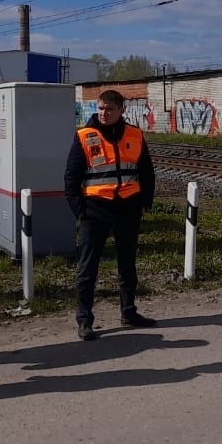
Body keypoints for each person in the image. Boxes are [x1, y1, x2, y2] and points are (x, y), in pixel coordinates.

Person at [64, 89, 158, 340]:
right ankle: (84, 319)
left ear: (121, 111)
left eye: (109, 109)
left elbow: (146, 173)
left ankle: (129, 311)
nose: (104, 114)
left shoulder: (135, 135)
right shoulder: (84, 136)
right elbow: (71, 178)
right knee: (88, 268)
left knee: (127, 264)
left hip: (128, 208)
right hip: (95, 210)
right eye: (101, 108)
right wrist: (80, 211)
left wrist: (145, 203)